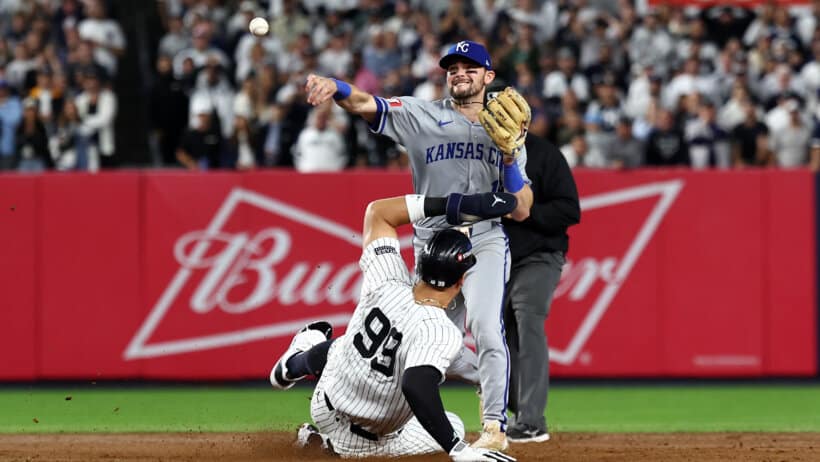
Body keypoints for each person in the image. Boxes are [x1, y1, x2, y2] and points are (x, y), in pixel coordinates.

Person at [303, 40, 534, 451]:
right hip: (432, 244)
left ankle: (495, 426)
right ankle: (478, 380)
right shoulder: (421, 114)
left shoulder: (505, 127)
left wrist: (512, 157)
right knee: (424, 342)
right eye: (453, 68)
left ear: (488, 77)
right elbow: (363, 104)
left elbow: (522, 210)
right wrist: (335, 86)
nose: (460, 73)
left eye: (470, 67)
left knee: (484, 326)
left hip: (483, 239)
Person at [269, 191, 519, 461]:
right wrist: (458, 449)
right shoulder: (440, 331)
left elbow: (378, 213)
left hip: (325, 400)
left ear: (421, 264)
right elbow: (416, 384)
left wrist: (454, 205)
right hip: (365, 442)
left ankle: (292, 365)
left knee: (345, 346)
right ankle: (328, 446)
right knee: (453, 424)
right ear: (462, 281)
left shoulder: (387, 279)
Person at [502, 131, 580, 443]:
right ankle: (520, 409)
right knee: (494, 331)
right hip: (499, 257)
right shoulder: (479, 152)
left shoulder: (544, 153)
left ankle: (531, 419)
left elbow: (569, 210)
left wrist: (526, 212)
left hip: (540, 255)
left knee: (527, 320)